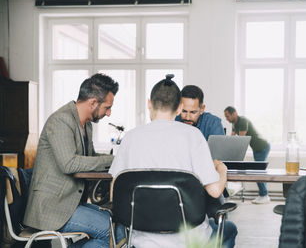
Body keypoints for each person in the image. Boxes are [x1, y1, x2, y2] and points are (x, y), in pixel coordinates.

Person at [109, 75, 237, 248]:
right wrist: (221, 168)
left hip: (141, 239)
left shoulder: (131, 137)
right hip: (189, 240)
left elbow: (114, 193)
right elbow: (215, 191)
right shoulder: (193, 136)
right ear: (179, 108)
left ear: (149, 104)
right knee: (229, 229)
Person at [23, 73, 125, 248]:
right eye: (107, 107)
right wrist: (112, 159)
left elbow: (90, 158)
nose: (109, 114)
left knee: (119, 224)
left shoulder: (86, 125)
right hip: (52, 209)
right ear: (93, 102)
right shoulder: (62, 120)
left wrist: (120, 159)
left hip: (68, 204)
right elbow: (69, 164)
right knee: (112, 231)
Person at [224, 106, 271, 204]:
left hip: (262, 147)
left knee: (258, 172)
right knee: (259, 171)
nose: (226, 119)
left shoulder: (242, 121)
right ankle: (263, 194)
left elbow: (241, 140)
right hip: (257, 149)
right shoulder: (234, 123)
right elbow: (232, 139)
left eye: (228, 116)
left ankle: (264, 195)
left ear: (234, 114)